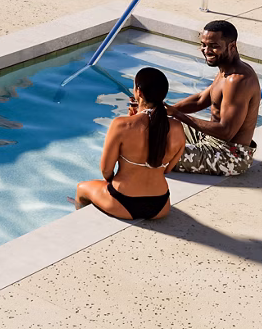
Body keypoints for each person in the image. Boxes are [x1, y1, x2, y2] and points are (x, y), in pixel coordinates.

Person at [75, 67, 186, 221]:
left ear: (138, 92)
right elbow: (166, 170)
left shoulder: (121, 125)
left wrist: (112, 184)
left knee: (81, 189)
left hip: (122, 201)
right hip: (160, 204)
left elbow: (106, 171)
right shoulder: (178, 128)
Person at [168, 19, 261, 177]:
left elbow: (226, 132)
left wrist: (177, 114)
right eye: (204, 44)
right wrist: (160, 109)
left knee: (149, 151)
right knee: (153, 125)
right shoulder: (226, 70)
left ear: (232, 46)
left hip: (229, 156)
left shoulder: (238, 80)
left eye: (214, 46)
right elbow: (200, 100)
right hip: (209, 139)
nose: (206, 50)